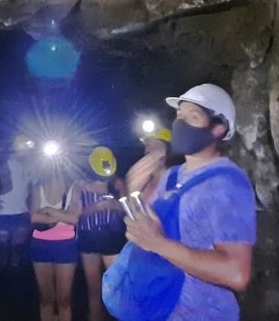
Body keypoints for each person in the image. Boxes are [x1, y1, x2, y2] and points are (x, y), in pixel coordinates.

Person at [104, 83, 256, 320]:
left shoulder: (228, 184)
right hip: (158, 307)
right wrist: (132, 193)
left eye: (192, 116)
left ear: (218, 128)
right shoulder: (172, 176)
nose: (181, 123)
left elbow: (237, 274)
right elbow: (142, 230)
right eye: (179, 115)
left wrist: (158, 243)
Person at [77, 146, 127, 321]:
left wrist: (113, 205)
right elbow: (76, 213)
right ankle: (95, 316)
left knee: (115, 283)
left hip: (111, 235)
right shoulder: (81, 185)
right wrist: (95, 208)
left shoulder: (118, 183)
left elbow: (129, 208)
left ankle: (121, 316)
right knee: (93, 285)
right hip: (87, 235)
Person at [30, 175, 82, 321]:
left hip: (66, 245)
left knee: (64, 299)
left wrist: (47, 210)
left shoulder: (74, 188)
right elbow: (34, 217)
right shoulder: (37, 188)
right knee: (46, 298)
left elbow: (75, 219)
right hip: (40, 245)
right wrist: (63, 216)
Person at [0, 135, 36, 270]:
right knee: (2, 247)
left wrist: (33, 208)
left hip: (22, 213)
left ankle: (15, 280)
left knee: (17, 248)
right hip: (3, 212)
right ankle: (0, 279)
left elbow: (33, 188)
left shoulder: (30, 166)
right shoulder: (1, 165)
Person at [127, 126, 176, 203]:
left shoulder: (174, 180)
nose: (148, 151)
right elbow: (135, 212)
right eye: (147, 146)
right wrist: (133, 192)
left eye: (155, 146)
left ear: (168, 152)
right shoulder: (146, 184)